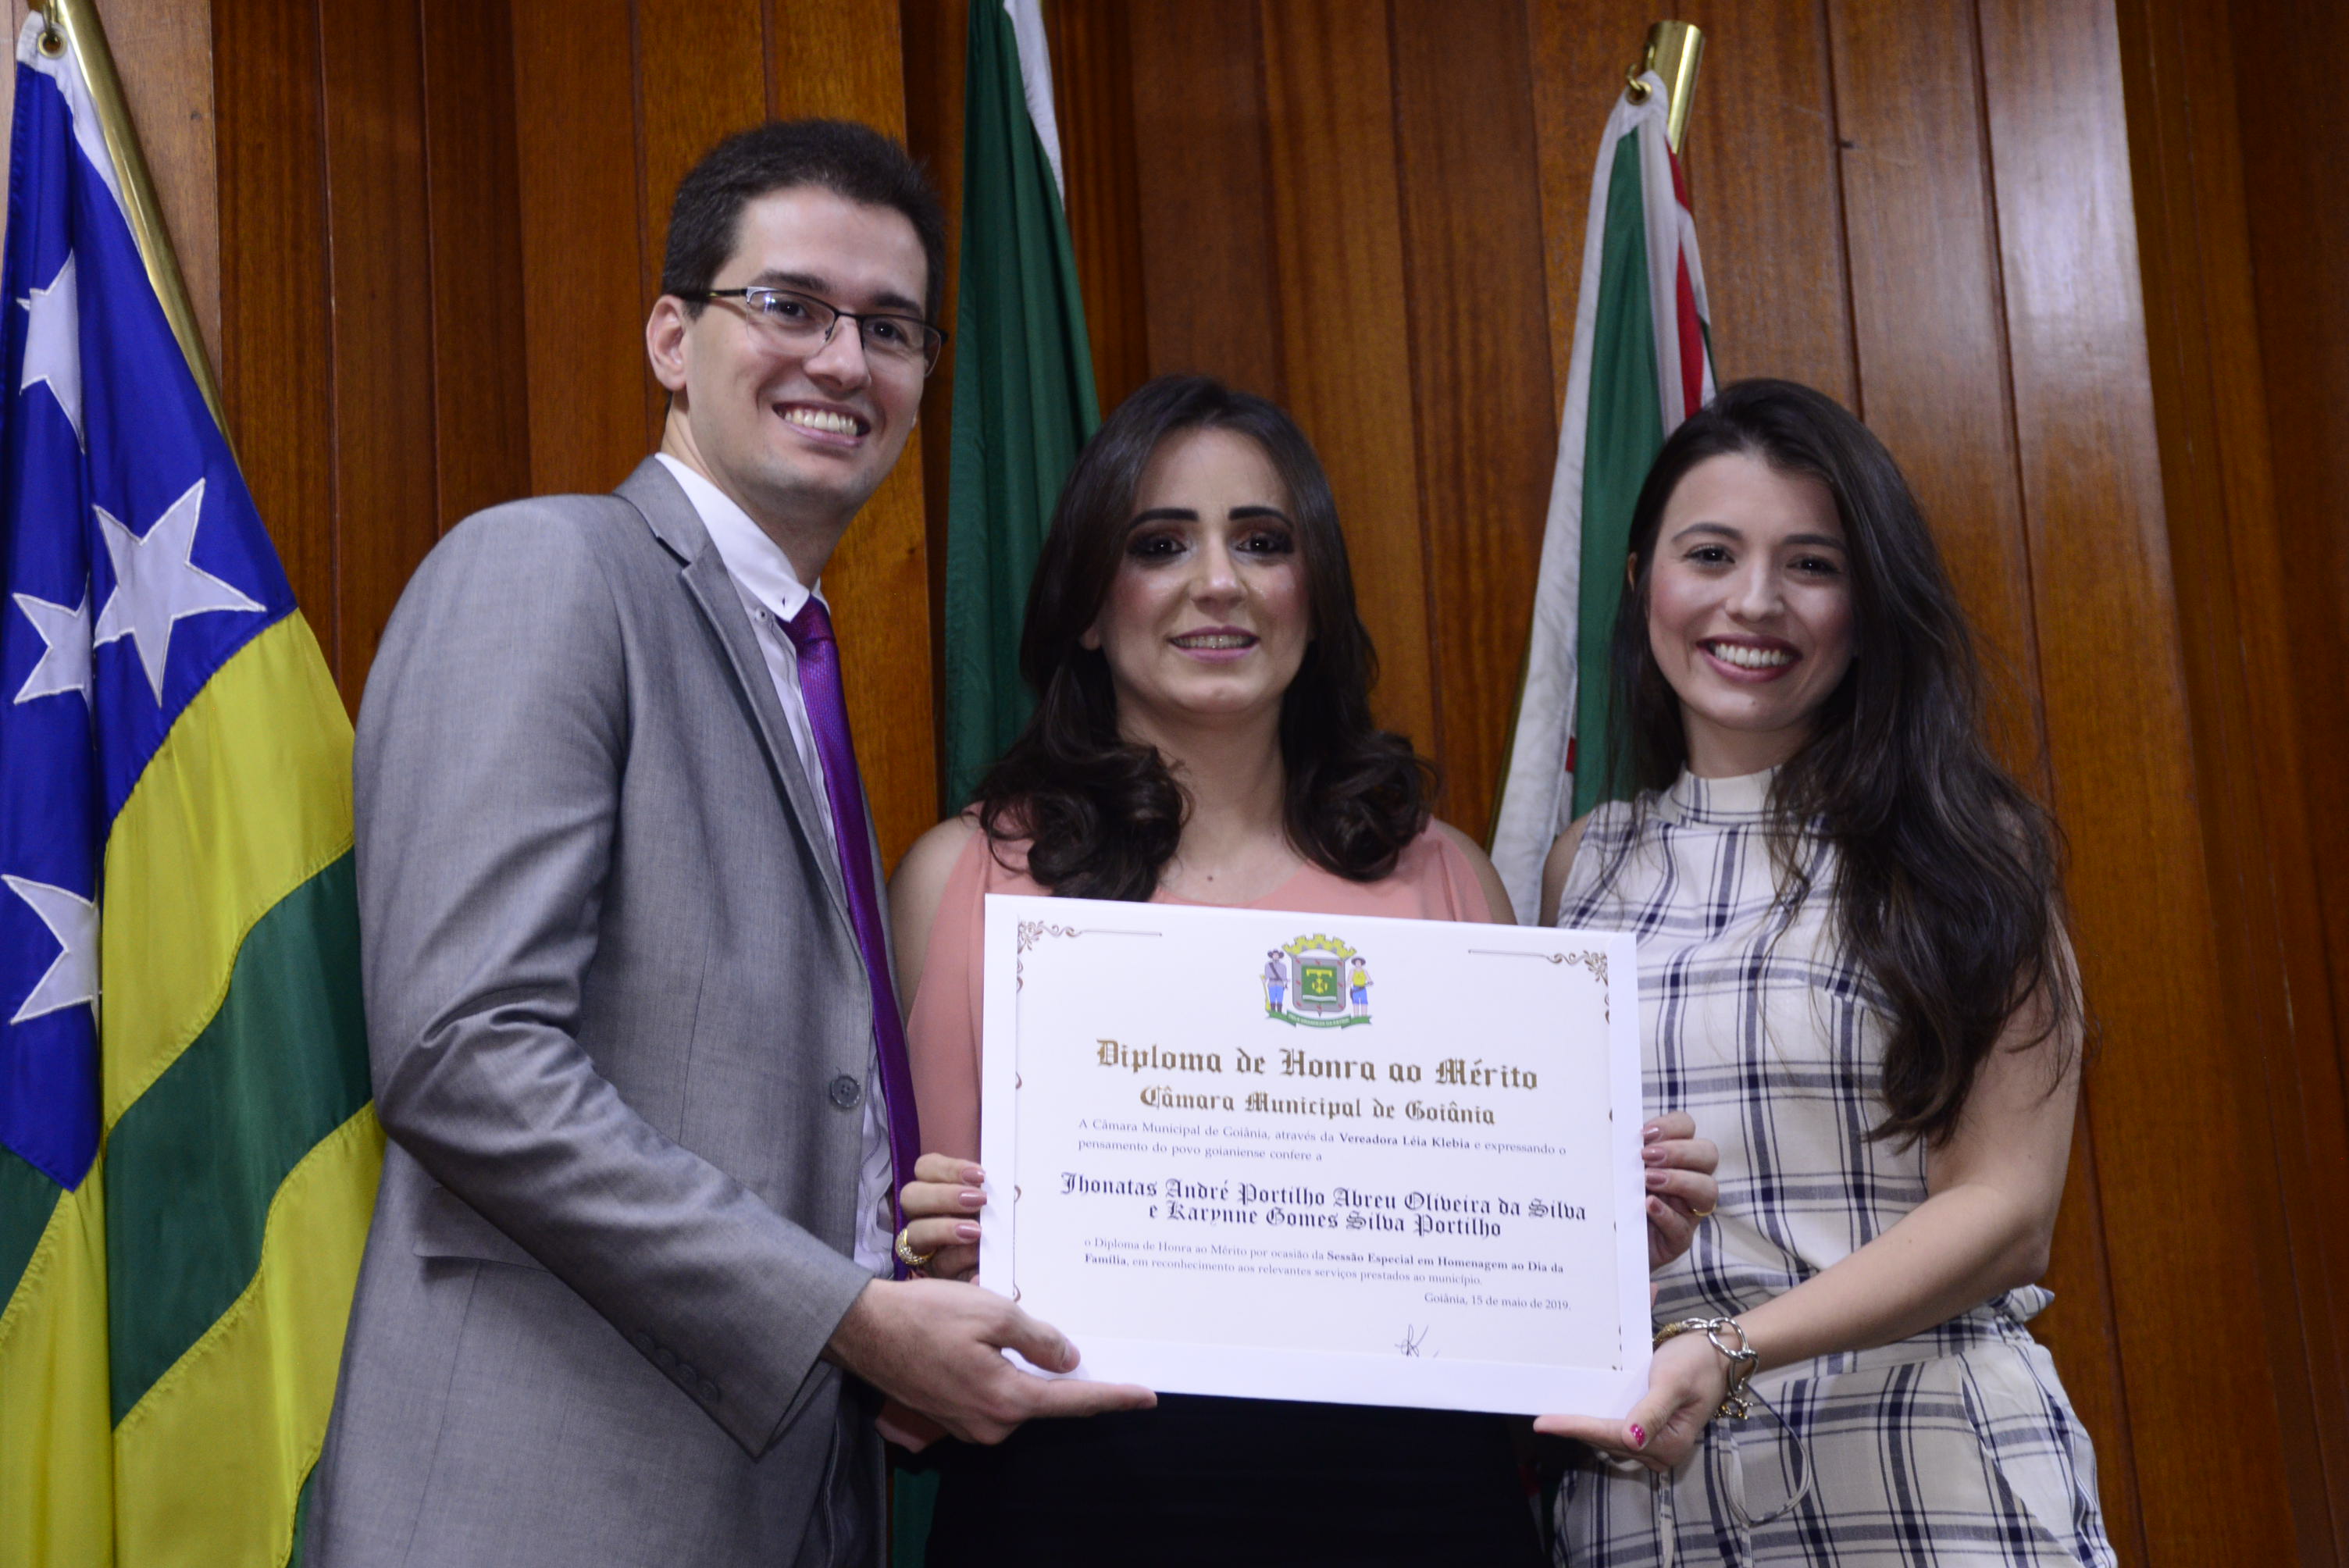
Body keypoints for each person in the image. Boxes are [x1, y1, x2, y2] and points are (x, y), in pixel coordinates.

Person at [306, 121, 1148, 1568]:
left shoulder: (793, 658)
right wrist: (847, 1315)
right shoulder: (549, 570)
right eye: (790, 305)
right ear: (670, 337)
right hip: (544, 1514)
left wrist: (891, 1246)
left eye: (890, 327)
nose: (844, 360)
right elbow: (465, 1054)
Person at [883, 374, 1721, 1565]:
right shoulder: (967, 881)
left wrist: (1600, 1244)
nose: (1217, 582)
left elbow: (1514, 1311)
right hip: (1073, 1512)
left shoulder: (1445, 879)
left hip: (1415, 1515)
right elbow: (920, 1296)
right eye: (1159, 543)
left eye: (1262, 542)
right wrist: (932, 1257)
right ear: (1087, 607)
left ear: (1313, 594)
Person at [1535, 380, 2113, 1564]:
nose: (1755, 602)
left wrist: (1732, 1348)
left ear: (1869, 601)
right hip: (1649, 1497)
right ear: (1642, 578)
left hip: (1922, 1464)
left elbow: (2009, 1213)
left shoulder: (1965, 844)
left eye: (1811, 565)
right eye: (1711, 554)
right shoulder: (1583, 865)